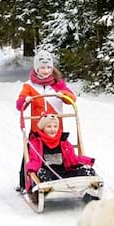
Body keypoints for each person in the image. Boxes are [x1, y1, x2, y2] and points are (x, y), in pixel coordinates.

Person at [16, 49, 76, 189]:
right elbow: (19, 105)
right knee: (33, 152)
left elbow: (72, 98)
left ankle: (65, 176)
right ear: (36, 68)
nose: (46, 70)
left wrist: (64, 94)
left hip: (56, 127)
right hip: (38, 129)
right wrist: (26, 100)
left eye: (49, 67)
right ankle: (25, 182)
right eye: (42, 67)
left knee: (61, 151)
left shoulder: (58, 84)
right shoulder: (29, 86)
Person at [25, 113, 96, 193]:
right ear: (43, 128)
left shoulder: (63, 141)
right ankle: (49, 191)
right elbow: (35, 160)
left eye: (55, 126)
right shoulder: (36, 143)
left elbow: (72, 159)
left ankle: (86, 188)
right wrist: (31, 171)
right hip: (49, 175)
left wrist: (85, 162)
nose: (53, 129)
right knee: (42, 173)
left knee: (87, 170)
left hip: (65, 173)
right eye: (49, 127)